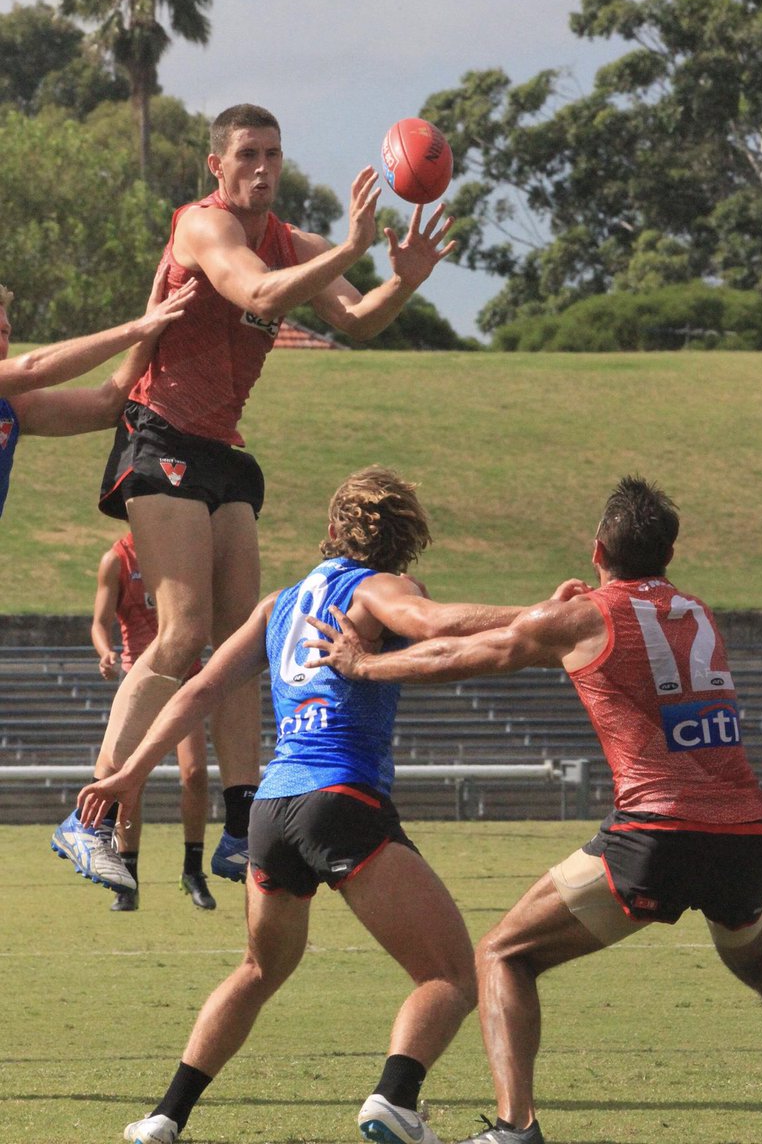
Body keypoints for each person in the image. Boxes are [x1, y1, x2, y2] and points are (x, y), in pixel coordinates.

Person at [305, 476, 762, 1144]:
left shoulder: (585, 616)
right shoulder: (696, 610)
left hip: (656, 833)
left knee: (503, 954)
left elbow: (462, 652)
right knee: (761, 958)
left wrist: (361, 665)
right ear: (669, 552)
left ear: (598, 547)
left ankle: (516, 1128)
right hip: (749, 832)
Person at [57, 102, 458, 894]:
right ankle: (91, 814)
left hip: (223, 452)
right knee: (183, 634)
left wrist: (400, 282)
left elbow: (357, 318)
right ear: (217, 166)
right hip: (160, 437)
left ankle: (242, 827)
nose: (262, 169)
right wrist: (348, 244)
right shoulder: (203, 228)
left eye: (273, 154)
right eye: (246, 155)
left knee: (246, 643)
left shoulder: (289, 239)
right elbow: (263, 295)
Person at [76, 466, 523, 1144]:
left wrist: (131, 772)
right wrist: (549, 616)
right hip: (338, 799)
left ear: (339, 528)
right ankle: (395, 1101)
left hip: (272, 811)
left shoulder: (281, 603)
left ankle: (164, 1117)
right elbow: (434, 623)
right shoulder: (380, 590)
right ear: (406, 534)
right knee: (450, 974)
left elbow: (198, 691)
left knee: (260, 969)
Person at [89, 531, 216, 912]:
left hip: (186, 677)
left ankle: (192, 870)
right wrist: (104, 652)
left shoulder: (183, 551)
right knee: (133, 779)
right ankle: (127, 879)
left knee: (194, 773)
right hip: (141, 681)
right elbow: (99, 622)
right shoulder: (117, 560)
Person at [0, 271, 196, 517]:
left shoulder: (13, 407)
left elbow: (107, 406)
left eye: (4, 332)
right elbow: (32, 369)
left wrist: (150, 331)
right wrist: (137, 328)